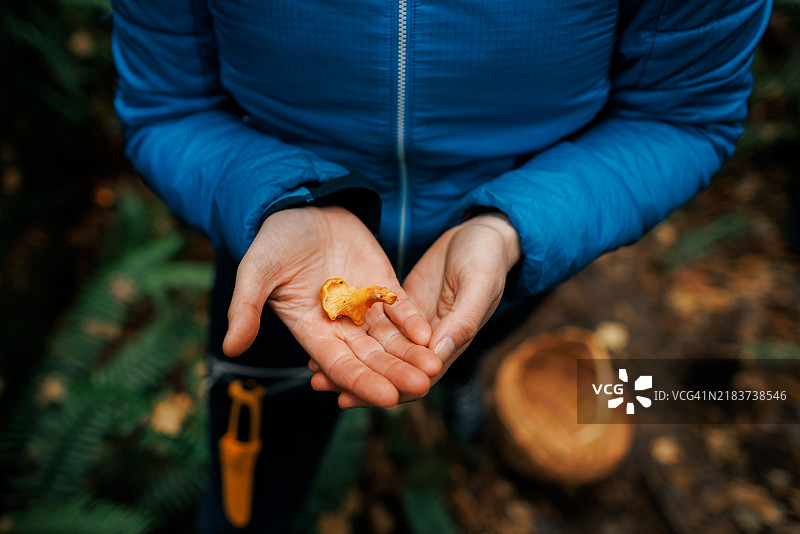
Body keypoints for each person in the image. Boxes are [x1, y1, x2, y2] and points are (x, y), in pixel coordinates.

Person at [110, 0, 771, 531]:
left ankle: (462, 382)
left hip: (516, 256)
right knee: (255, 486)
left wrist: (514, 229)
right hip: (282, 274)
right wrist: (278, 202)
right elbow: (168, 107)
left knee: (471, 336)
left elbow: (680, 115)